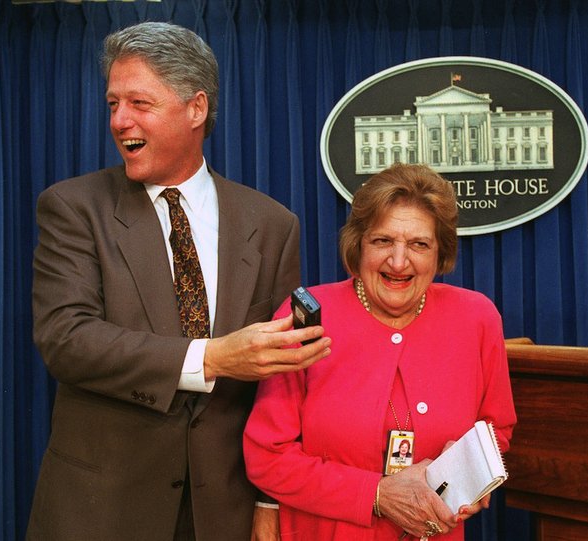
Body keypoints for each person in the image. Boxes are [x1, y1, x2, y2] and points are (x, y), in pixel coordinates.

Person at [27, 22, 330, 541]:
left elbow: (283, 381)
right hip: (102, 511)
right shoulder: (74, 208)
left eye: (139, 103)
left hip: (226, 514)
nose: (120, 120)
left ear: (196, 108)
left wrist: (269, 500)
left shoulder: (272, 224)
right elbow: (67, 341)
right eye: (112, 104)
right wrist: (212, 358)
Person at [243, 163, 517, 540]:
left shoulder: (477, 318)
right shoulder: (306, 319)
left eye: (419, 244)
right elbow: (266, 457)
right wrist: (376, 494)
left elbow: (497, 428)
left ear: (441, 253)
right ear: (358, 245)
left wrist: (470, 467)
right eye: (383, 241)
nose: (399, 261)